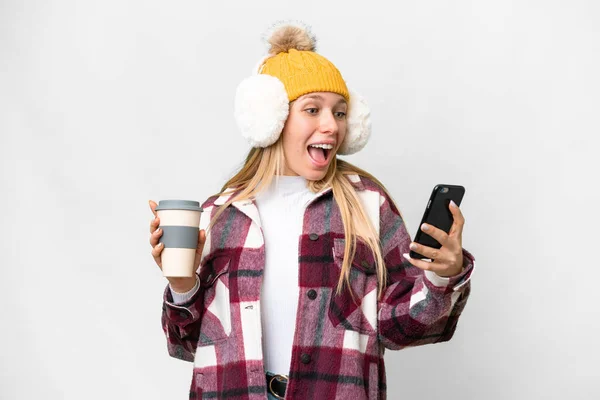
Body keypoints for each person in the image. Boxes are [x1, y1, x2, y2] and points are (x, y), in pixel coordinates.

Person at [148, 21, 475, 400]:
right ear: (271, 121)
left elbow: (404, 328)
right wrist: (183, 286)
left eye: (339, 113)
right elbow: (185, 346)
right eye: (312, 109)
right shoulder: (219, 215)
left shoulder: (367, 205)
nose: (331, 126)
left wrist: (443, 277)